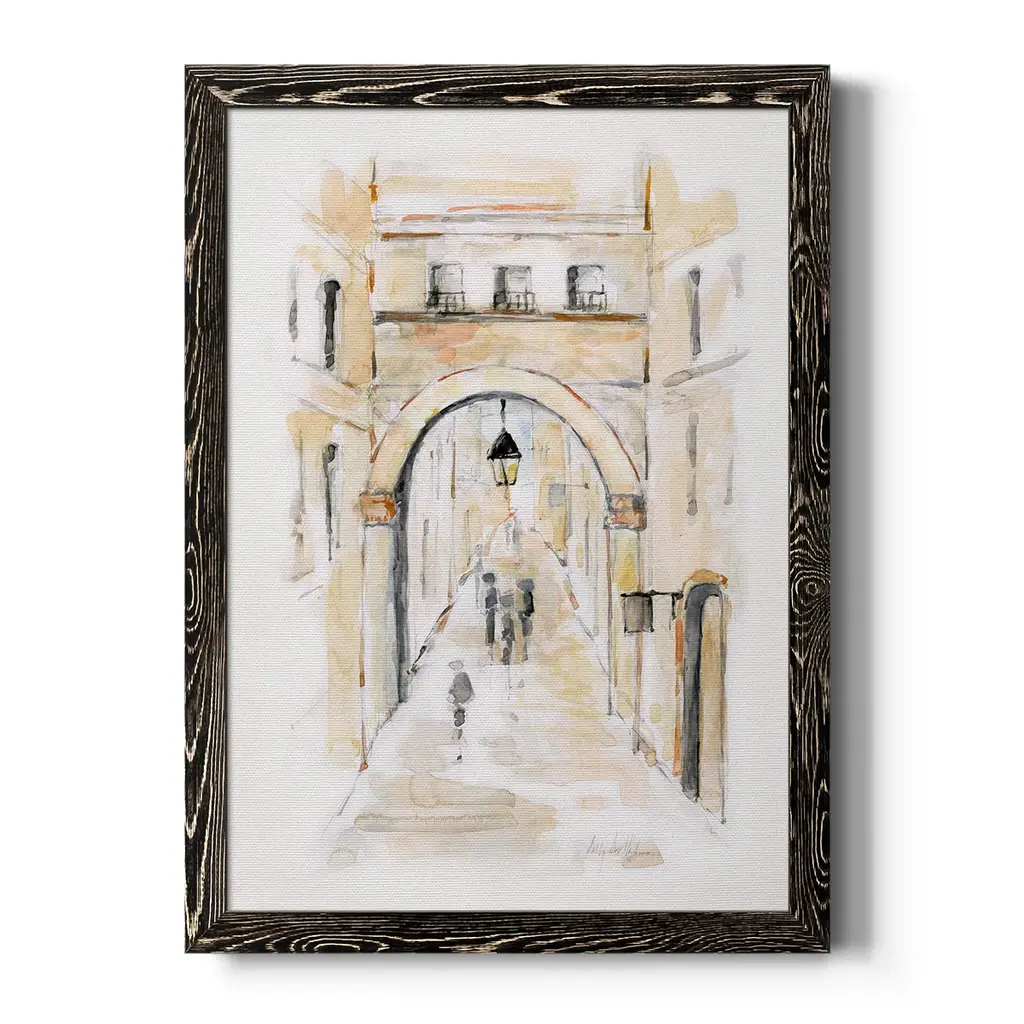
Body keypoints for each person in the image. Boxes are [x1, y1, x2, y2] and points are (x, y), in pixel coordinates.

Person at [447, 660, 475, 763]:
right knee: (458, 731)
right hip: (459, 706)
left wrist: (455, 700)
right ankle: (459, 754)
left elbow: (466, 693)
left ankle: (460, 755)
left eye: (454, 667)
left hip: (460, 706)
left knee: (458, 730)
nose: (453, 669)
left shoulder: (461, 677)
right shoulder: (460, 677)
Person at [517, 578, 535, 662]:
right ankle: (525, 654)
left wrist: (523, 614)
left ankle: (525, 654)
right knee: (526, 637)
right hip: (527, 617)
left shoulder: (526, 594)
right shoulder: (528, 594)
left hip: (526, 617)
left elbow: (529, 608)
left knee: (525, 636)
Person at [482, 572, 498, 655]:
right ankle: (490, 646)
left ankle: (490, 647)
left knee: (490, 628)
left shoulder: (490, 590)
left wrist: (487, 609)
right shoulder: (491, 590)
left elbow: (491, 603)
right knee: (490, 628)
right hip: (491, 612)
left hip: (490, 612)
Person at [499, 592, 516, 667]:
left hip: (508, 635)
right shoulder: (506, 618)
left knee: (508, 646)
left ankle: (507, 657)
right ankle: (507, 657)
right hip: (508, 635)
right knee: (508, 646)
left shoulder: (506, 618)